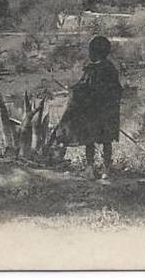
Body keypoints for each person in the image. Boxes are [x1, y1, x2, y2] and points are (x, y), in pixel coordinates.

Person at [52, 35, 123, 179]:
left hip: (93, 113)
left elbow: (84, 89)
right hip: (108, 112)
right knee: (107, 141)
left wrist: (72, 90)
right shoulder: (111, 69)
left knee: (89, 141)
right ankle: (106, 170)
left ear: (94, 52)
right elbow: (117, 90)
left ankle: (90, 169)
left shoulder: (91, 70)